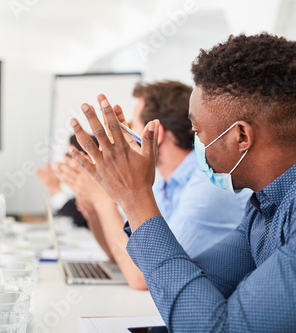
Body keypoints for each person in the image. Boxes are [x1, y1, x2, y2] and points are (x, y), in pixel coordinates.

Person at [69, 33, 296, 331]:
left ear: (241, 136)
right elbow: (194, 287)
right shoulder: (262, 207)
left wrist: (135, 198)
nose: (195, 143)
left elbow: (212, 327)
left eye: (197, 131)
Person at [57, 81, 250, 289]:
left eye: (131, 127)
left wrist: (103, 201)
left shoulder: (209, 184)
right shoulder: (161, 183)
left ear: (153, 134)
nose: (126, 135)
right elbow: (119, 253)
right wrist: (92, 208)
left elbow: (143, 276)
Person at [36, 135, 99, 228]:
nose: (65, 160)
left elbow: (79, 221)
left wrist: (55, 189)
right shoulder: (75, 192)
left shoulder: (99, 192)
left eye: (69, 155)